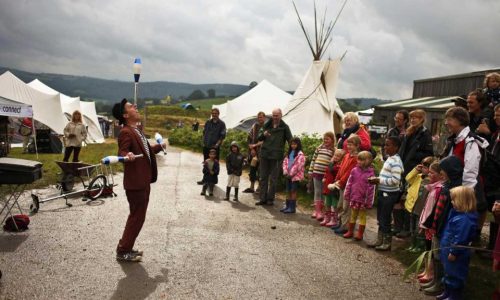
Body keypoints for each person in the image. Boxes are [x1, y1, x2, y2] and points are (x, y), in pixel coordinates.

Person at [112, 98, 165, 262]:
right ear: (125, 115)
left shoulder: (137, 130)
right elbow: (122, 151)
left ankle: (127, 246)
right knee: (136, 217)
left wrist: (159, 147)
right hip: (136, 183)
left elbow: (146, 150)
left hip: (143, 182)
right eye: (131, 107)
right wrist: (126, 155)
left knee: (138, 217)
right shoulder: (126, 132)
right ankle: (123, 251)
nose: (135, 107)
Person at [442, 106, 489, 246]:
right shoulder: (455, 140)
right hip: (455, 187)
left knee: (462, 223)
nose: (446, 123)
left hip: (466, 190)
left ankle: (459, 251)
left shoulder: (471, 141)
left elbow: (471, 171)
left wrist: (463, 197)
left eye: (449, 119)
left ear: (460, 121)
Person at [421, 155, 463, 296]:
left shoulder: (455, 190)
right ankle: (435, 280)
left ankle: (440, 284)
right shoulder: (446, 185)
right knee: (435, 253)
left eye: (444, 170)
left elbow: (446, 213)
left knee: (439, 255)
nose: (442, 172)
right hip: (436, 227)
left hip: (444, 229)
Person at [396, 109, 434, 239]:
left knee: (409, 199)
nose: (413, 120)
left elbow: (429, 153)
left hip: (414, 170)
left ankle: (408, 229)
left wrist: (415, 158)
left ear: (422, 119)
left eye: (416, 118)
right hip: (404, 168)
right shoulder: (409, 131)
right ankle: (399, 226)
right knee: (400, 198)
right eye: (412, 118)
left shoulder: (425, 134)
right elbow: (402, 149)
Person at [437, 186, 478, 300]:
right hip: (447, 249)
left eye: (454, 200)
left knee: (455, 273)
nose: (451, 202)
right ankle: (447, 292)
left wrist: (454, 252)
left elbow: (461, 239)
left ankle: (454, 295)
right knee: (448, 271)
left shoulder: (465, 220)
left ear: (462, 201)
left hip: (456, 253)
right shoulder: (456, 214)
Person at [366, 136, 403, 250]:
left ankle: (387, 243)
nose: (385, 147)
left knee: (385, 218)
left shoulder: (396, 162)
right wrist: (376, 179)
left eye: (388, 145)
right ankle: (379, 240)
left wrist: (379, 180)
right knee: (380, 218)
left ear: (396, 147)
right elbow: (385, 177)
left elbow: (395, 180)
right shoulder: (389, 159)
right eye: (385, 145)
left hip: (389, 195)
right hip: (383, 192)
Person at [256, 108, 292, 206]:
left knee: (273, 179)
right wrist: (263, 134)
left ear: (281, 115)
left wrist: (291, 154)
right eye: (274, 115)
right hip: (264, 155)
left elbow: (291, 141)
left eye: (277, 115)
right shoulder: (266, 125)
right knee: (263, 177)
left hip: (277, 156)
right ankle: (262, 198)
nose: (275, 117)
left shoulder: (285, 127)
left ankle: (270, 199)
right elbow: (258, 137)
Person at [417, 162, 443, 284]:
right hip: (426, 224)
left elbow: (434, 210)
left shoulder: (438, 190)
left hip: (431, 226)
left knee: (431, 250)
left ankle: (431, 272)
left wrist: (427, 224)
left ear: (441, 175)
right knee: (427, 249)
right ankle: (427, 270)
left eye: (432, 173)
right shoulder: (432, 187)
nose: (429, 174)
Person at [403, 156, 434, 252]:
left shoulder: (432, 181)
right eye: (423, 166)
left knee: (419, 228)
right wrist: (416, 170)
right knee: (413, 227)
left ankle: (419, 246)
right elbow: (408, 178)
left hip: (422, 209)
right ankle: (413, 243)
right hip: (413, 206)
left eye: (426, 167)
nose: (423, 169)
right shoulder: (418, 177)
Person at [332, 135, 362, 235]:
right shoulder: (346, 156)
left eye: (351, 144)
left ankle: (345, 226)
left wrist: (341, 182)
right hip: (341, 183)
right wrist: (337, 178)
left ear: (357, 145)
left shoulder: (356, 158)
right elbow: (341, 169)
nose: (349, 146)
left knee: (346, 207)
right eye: (348, 144)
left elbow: (349, 172)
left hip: (348, 185)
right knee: (340, 205)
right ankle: (340, 223)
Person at [342, 151, 375, 241]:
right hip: (354, 197)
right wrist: (347, 194)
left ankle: (360, 234)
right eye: (358, 159)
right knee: (353, 215)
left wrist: (369, 201)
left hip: (363, 200)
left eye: (360, 160)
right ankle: (350, 231)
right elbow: (349, 183)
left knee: (362, 217)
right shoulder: (354, 170)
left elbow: (372, 189)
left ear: (367, 161)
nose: (358, 161)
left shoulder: (371, 174)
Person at [308, 132, 336, 221]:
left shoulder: (333, 150)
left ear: (332, 140)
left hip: (325, 175)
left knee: (324, 192)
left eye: (327, 139)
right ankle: (317, 211)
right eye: (324, 138)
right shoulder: (319, 148)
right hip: (316, 172)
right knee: (317, 191)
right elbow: (313, 159)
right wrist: (310, 170)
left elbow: (334, 163)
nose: (325, 140)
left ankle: (323, 211)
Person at [197, 108, 226, 184]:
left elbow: (222, 136)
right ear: (211, 114)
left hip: (215, 148)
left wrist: (217, 144)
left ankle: (213, 181)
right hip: (206, 146)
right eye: (213, 113)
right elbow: (204, 132)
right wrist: (203, 141)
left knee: (214, 165)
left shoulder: (222, 124)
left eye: (215, 113)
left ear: (218, 114)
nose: (214, 115)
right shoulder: (208, 122)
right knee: (206, 163)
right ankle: (205, 179)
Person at [321, 149, 346, 227]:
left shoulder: (339, 166)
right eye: (335, 155)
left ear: (342, 158)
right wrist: (324, 177)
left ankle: (334, 219)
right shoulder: (331, 164)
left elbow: (334, 170)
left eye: (338, 156)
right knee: (327, 203)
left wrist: (331, 163)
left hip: (334, 187)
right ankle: (327, 218)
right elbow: (327, 171)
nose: (336, 157)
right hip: (327, 186)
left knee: (334, 204)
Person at [281, 137, 305, 214]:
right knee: (288, 191)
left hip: (295, 176)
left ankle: (292, 207)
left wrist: (291, 174)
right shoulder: (289, 153)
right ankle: (287, 206)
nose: (293, 145)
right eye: (292, 144)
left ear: (298, 145)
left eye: (295, 144)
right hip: (287, 175)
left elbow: (298, 166)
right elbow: (285, 162)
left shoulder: (300, 155)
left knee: (293, 191)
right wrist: (285, 171)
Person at [243, 112, 266, 193]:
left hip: (263, 153)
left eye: (261, 117)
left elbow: (265, 141)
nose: (260, 119)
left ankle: (259, 187)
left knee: (261, 170)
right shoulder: (254, 126)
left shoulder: (267, 127)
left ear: (264, 118)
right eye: (259, 117)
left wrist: (254, 145)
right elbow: (249, 138)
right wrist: (252, 148)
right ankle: (252, 186)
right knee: (252, 170)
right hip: (253, 153)